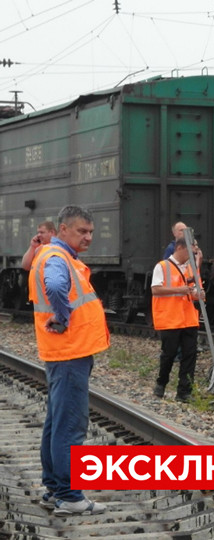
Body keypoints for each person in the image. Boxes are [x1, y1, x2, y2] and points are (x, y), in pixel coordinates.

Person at [27, 205, 110, 516]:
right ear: (63, 230)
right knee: (71, 426)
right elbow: (56, 286)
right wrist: (62, 316)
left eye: (91, 232)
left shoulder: (55, 256)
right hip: (69, 352)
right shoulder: (57, 257)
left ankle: (54, 489)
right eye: (81, 231)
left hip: (64, 352)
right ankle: (70, 496)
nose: (88, 237)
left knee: (56, 422)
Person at [151, 237, 203, 402]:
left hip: (189, 319)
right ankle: (161, 383)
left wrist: (199, 294)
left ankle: (184, 392)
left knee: (190, 355)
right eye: (190, 251)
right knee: (169, 354)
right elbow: (155, 289)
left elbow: (197, 290)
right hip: (170, 319)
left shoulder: (192, 268)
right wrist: (179, 290)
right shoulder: (162, 266)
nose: (192, 255)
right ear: (180, 248)